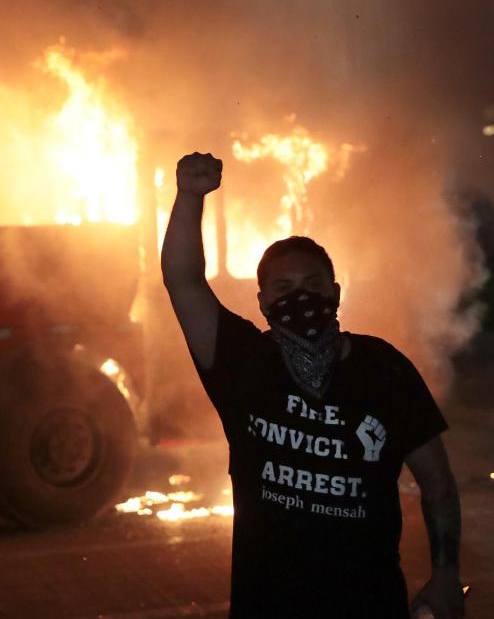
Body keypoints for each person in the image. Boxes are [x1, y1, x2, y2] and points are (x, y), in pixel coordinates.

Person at [161, 152, 465, 618]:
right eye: (282, 289)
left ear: (336, 292)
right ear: (262, 303)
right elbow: (183, 280)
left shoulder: (385, 369)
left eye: (312, 283)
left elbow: (438, 485)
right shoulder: (242, 362)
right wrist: (188, 198)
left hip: (370, 604)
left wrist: (445, 576)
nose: (299, 297)